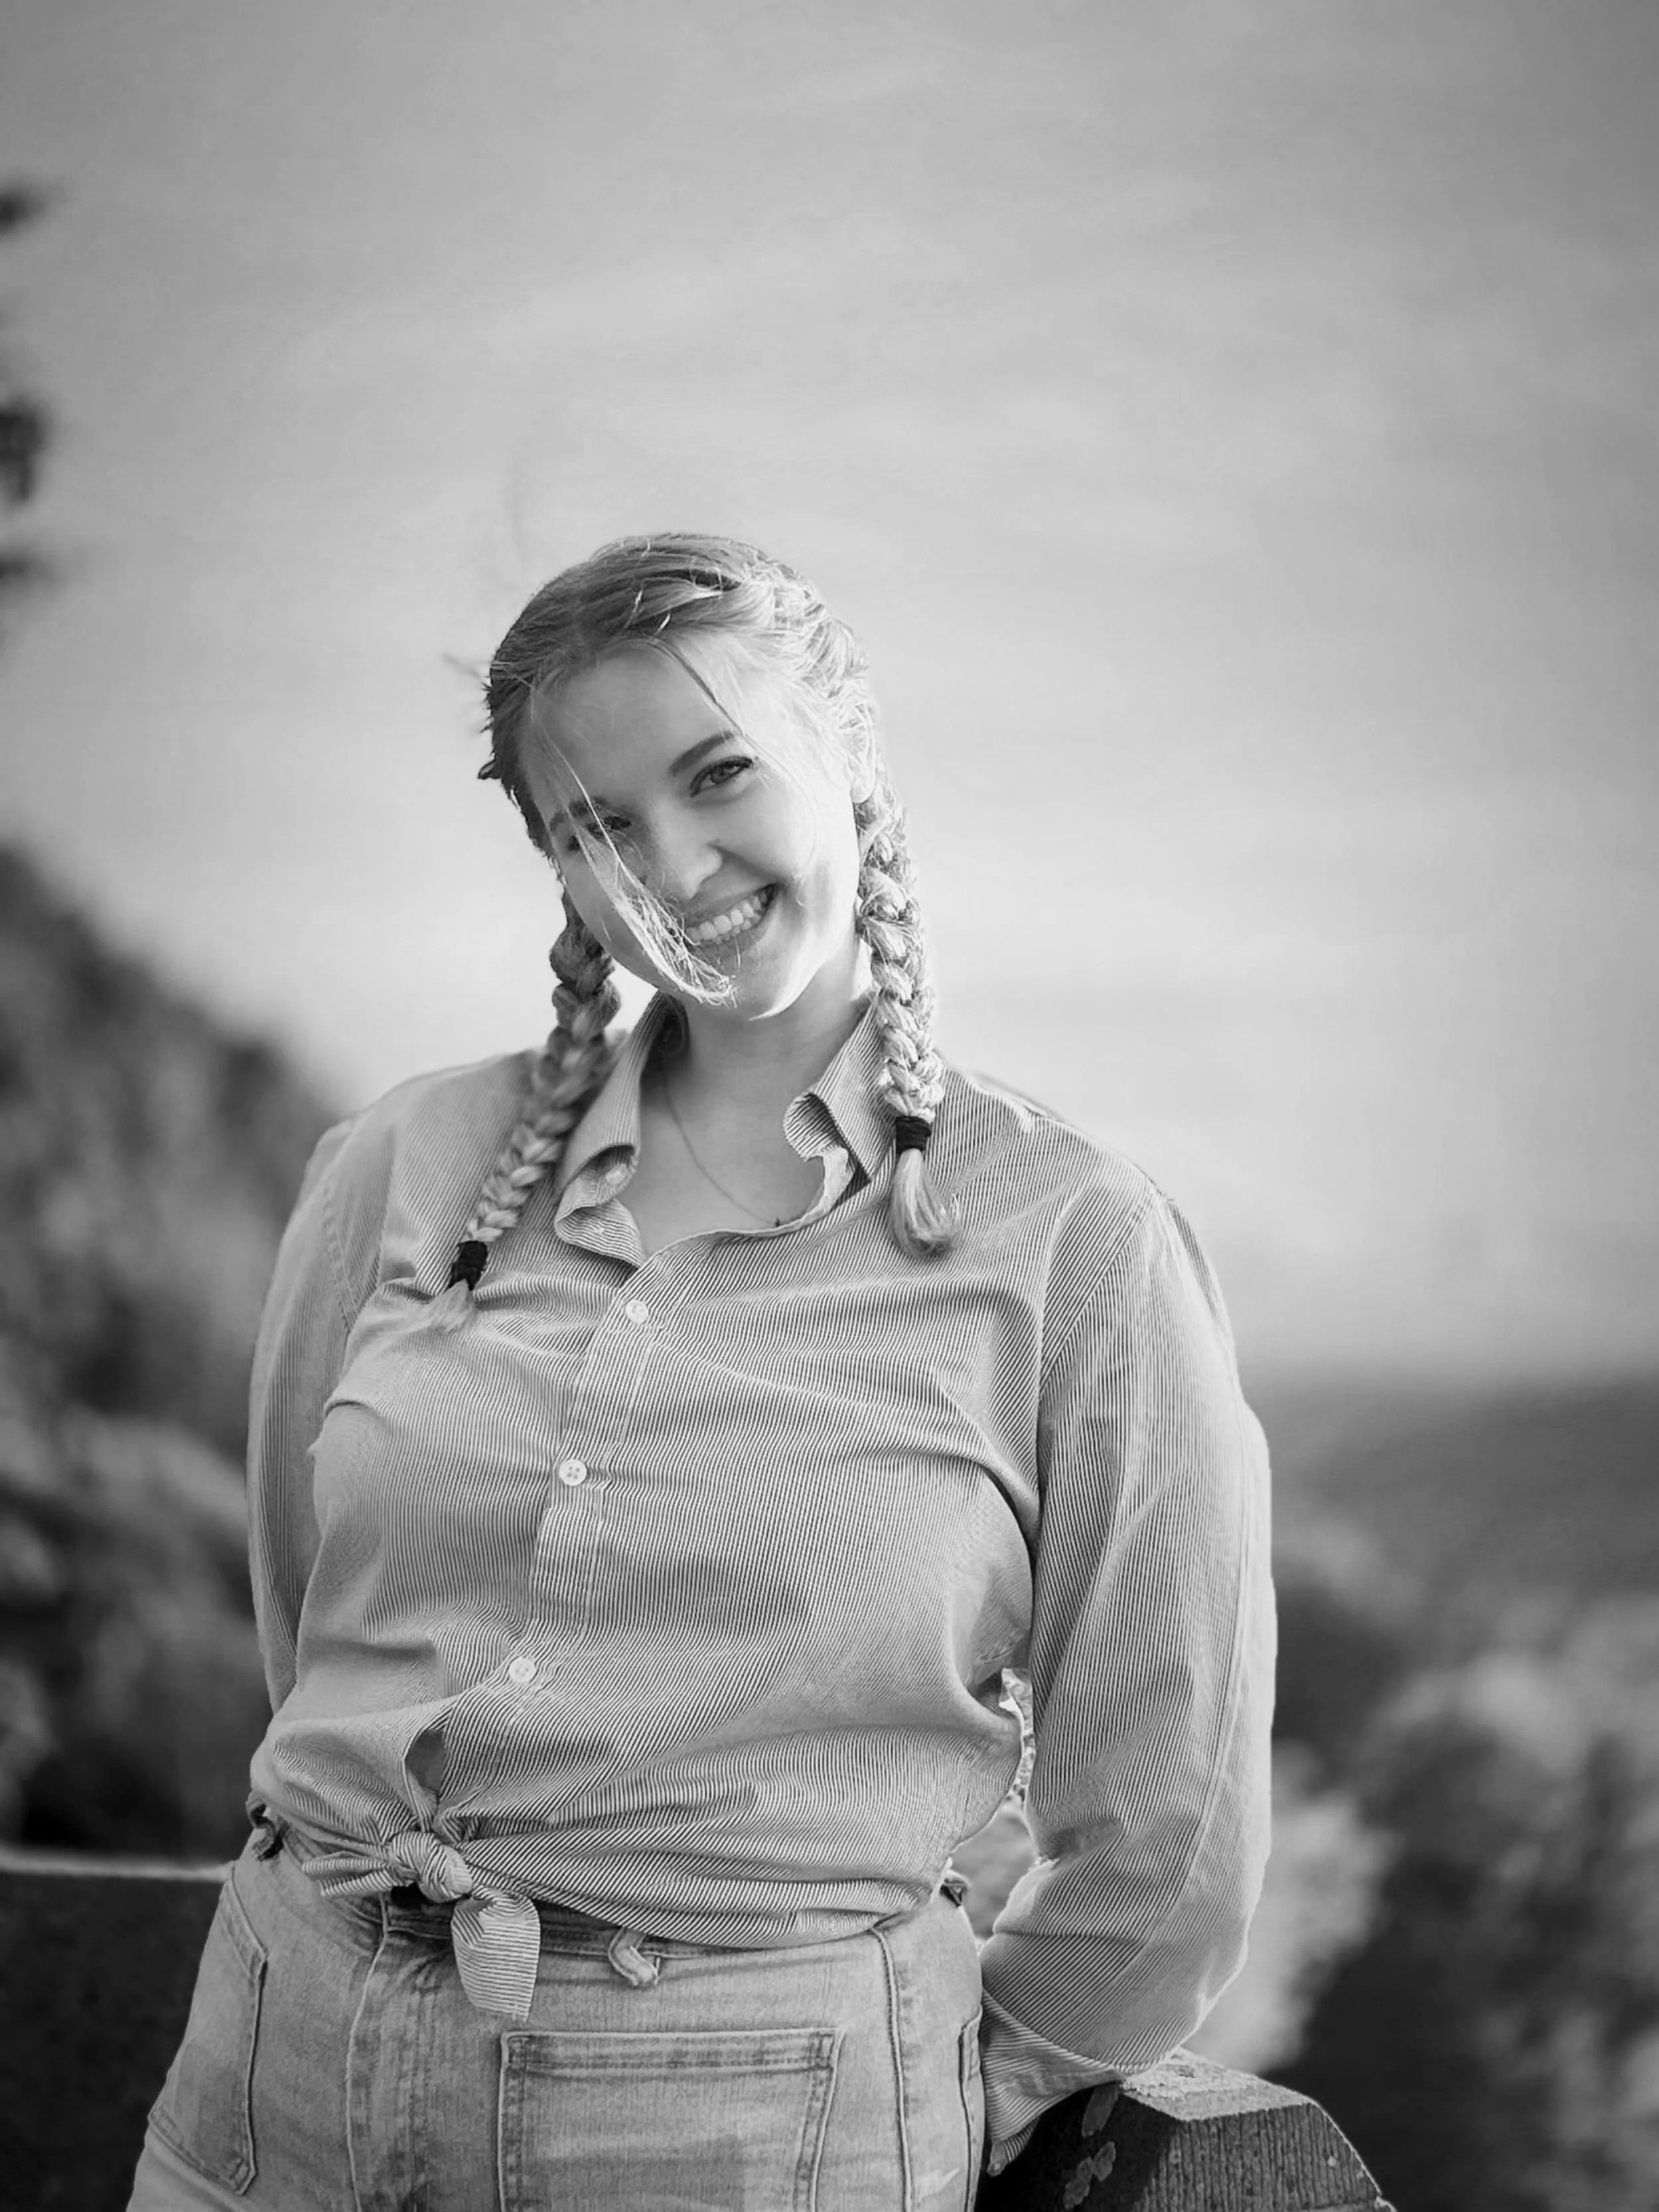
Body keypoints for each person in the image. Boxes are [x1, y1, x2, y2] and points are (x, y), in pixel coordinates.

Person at [128, 533, 1274, 2210]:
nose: (669, 864)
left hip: (747, 2135)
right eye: (593, 827)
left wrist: (915, 2081)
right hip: (271, 2074)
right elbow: (318, 1624)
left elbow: (1166, 1841)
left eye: (718, 771)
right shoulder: (402, 1161)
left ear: (849, 759)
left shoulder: (1070, 1239)